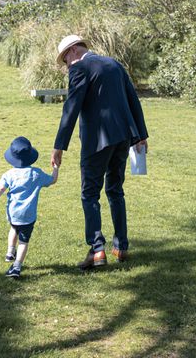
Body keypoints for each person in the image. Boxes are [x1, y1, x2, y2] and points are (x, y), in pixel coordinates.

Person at [51, 35, 148, 270]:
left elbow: (71, 109)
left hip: (97, 141)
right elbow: (133, 99)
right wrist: (141, 134)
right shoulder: (114, 64)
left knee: (89, 193)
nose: (67, 66)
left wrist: (59, 146)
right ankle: (121, 246)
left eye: (66, 61)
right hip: (124, 136)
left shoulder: (80, 68)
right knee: (115, 189)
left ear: (73, 51)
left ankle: (96, 250)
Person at [0, 136, 59, 278]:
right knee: (23, 241)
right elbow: (53, 180)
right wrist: (56, 167)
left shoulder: (9, 174)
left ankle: (10, 253)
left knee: (13, 229)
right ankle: (17, 267)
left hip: (13, 214)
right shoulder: (36, 174)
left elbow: (0, 189)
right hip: (28, 216)